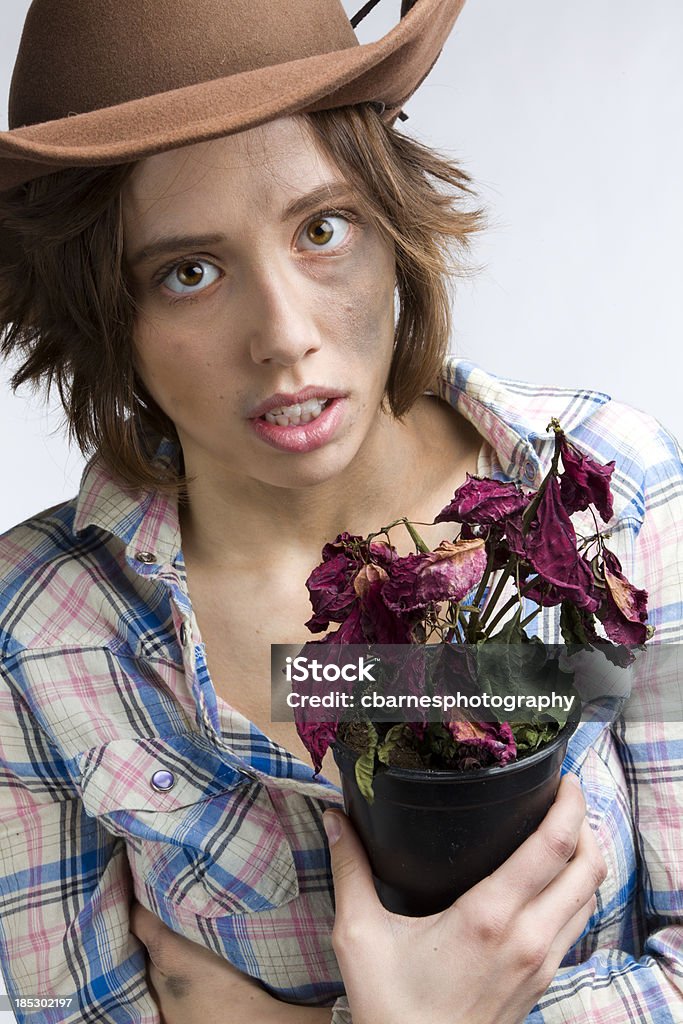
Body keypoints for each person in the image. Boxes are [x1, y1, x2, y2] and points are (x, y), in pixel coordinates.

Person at [0, 2, 680, 1023]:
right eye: (189, 272)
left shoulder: (607, 487)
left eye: (321, 229)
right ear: (103, 313)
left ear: (390, 226)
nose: (283, 334)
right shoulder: (39, 635)